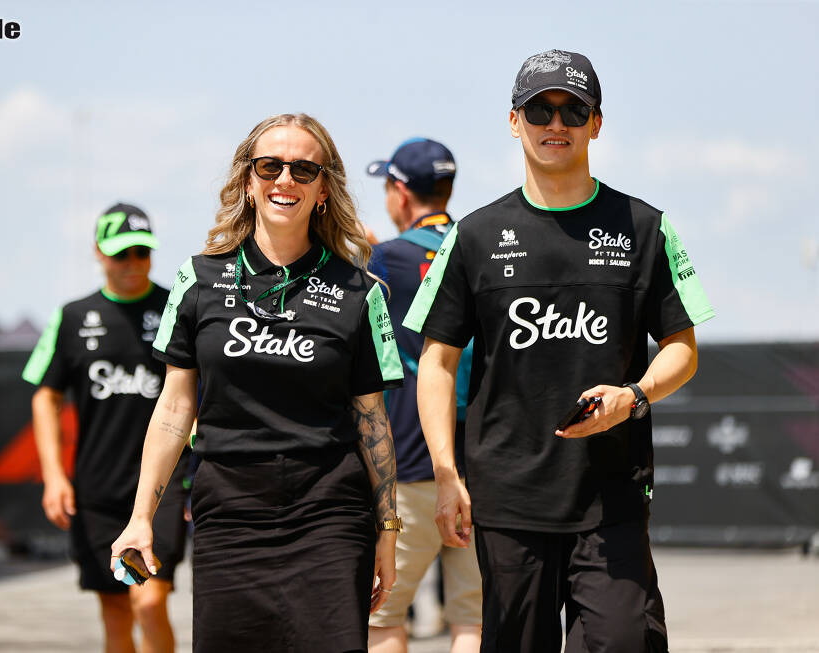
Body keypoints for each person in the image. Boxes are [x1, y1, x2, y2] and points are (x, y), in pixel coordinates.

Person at [404, 50, 715, 652]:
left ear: (596, 123)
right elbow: (437, 363)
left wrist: (636, 396)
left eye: (573, 109)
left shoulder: (644, 226)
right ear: (514, 120)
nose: (556, 123)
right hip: (509, 498)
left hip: (612, 493)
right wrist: (446, 474)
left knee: (624, 641)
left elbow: (682, 347)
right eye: (539, 109)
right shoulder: (473, 236)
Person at [110, 113, 404, 653]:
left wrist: (387, 531)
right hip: (230, 508)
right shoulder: (196, 279)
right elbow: (175, 409)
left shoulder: (362, 292)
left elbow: (372, 420)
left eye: (303, 169)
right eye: (270, 166)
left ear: (323, 189)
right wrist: (140, 518)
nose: (285, 180)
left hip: (329, 511)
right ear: (248, 180)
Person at [22, 203, 190, 653]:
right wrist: (54, 475)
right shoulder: (72, 317)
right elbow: (45, 396)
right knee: (115, 611)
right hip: (96, 490)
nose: (133, 263)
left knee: (149, 600)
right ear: (99, 251)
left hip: (161, 488)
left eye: (142, 253)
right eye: (122, 254)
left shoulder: (176, 307)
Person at [364, 139, 481, 653]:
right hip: (482, 455)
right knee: (473, 619)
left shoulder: (385, 259)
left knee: (382, 616)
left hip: (411, 458)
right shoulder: (485, 249)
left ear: (399, 191)